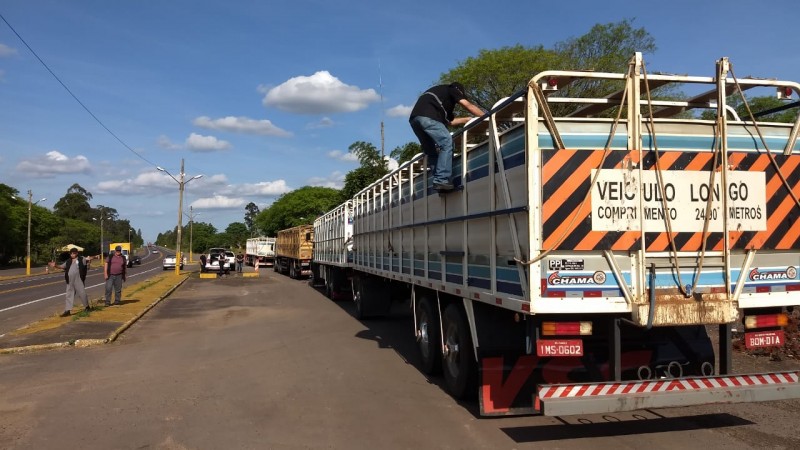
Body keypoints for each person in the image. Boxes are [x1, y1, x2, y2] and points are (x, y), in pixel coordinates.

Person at [409, 82, 485, 192]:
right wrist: (487, 116)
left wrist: (467, 119)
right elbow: (467, 105)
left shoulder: (441, 101)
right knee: (447, 143)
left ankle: (440, 185)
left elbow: (450, 122)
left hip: (415, 120)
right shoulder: (453, 88)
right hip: (428, 117)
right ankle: (442, 180)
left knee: (432, 152)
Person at [49, 247, 92, 317]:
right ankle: (67, 310)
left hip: (79, 280)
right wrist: (55, 265)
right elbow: (62, 266)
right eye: (71, 253)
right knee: (69, 295)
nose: (72, 254)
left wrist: (91, 258)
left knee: (82, 294)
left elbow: (88, 260)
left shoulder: (81, 259)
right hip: (70, 280)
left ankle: (87, 307)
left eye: (74, 253)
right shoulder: (68, 261)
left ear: (77, 253)